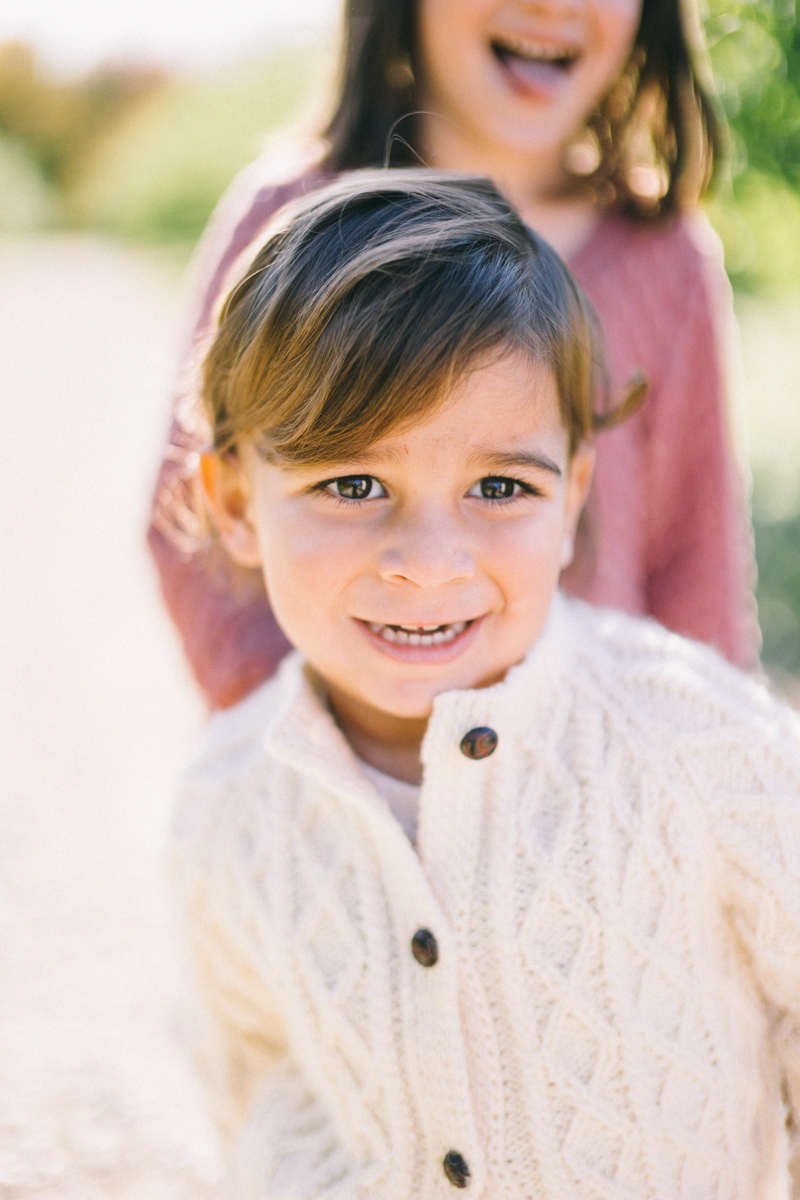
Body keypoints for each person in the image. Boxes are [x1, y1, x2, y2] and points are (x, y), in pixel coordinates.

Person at [174, 172, 800, 1200]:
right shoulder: (226, 809)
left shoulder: (695, 742)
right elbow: (264, 1096)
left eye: (498, 488)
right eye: (351, 484)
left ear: (572, 497)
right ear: (236, 499)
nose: (428, 561)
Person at [149, 0, 759, 712]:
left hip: (589, 783)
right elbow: (188, 531)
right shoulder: (293, 219)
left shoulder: (664, 259)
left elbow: (696, 568)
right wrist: (337, 749)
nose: (553, 5)